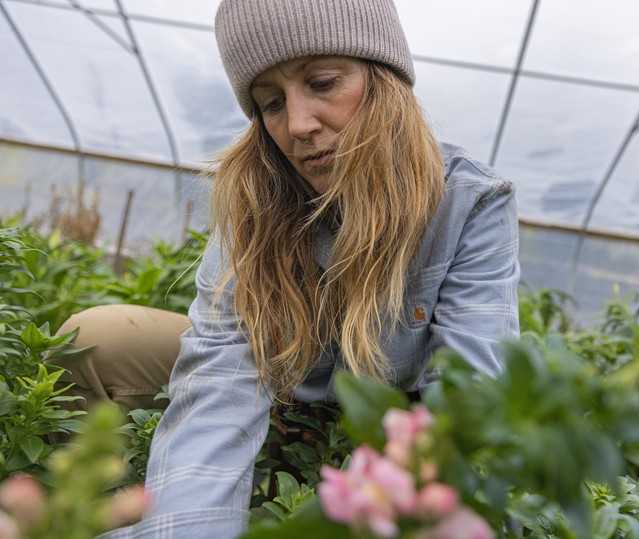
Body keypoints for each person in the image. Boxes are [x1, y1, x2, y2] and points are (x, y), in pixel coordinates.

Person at [55, 1, 520, 537]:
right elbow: (220, 378)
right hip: (283, 394)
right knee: (97, 339)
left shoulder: (470, 202)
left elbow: (468, 396)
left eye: (322, 83)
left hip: (385, 426)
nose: (297, 125)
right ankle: (105, 505)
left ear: (384, 80)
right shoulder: (257, 197)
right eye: (271, 103)